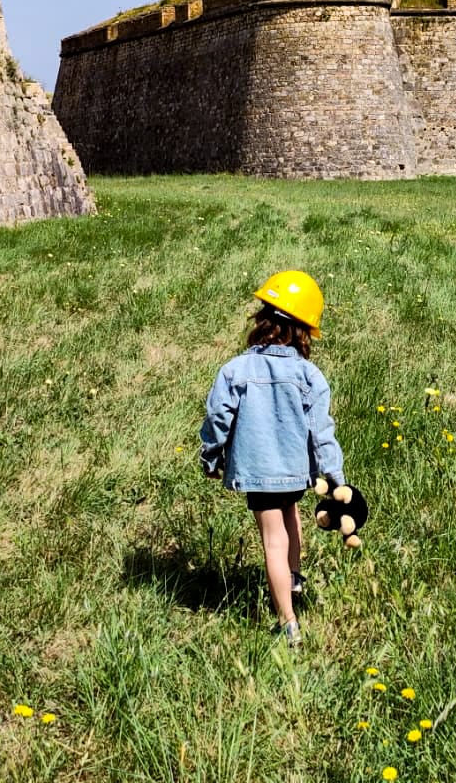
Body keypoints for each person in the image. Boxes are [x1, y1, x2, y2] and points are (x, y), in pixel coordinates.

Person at [199, 270, 346, 646]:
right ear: (304, 331)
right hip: (294, 470)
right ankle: (292, 579)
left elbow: (218, 419)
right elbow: (322, 431)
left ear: (262, 319)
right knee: (290, 516)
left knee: (273, 539)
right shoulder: (309, 374)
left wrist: (211, 456)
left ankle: (287, 622)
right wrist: (335, 477)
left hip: (258, 469)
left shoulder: (235, 370)